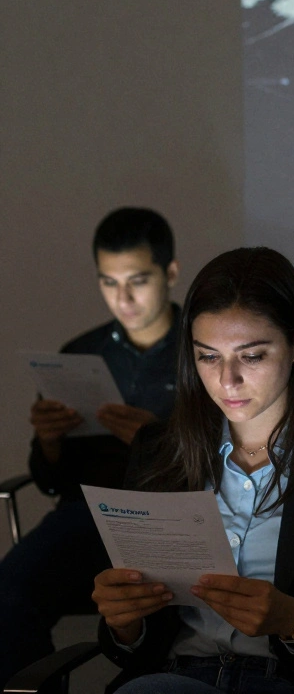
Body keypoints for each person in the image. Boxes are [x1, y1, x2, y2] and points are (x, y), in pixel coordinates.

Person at [90, 247, 294, 694]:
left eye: (252, 356)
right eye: (208, 356)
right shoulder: (158, 449)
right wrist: (125, 623)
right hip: (174, 678)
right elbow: (135, 646)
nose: (227, 380)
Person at [0, 207, 181, 683]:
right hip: (87, 515)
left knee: (171, 619)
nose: (123, 298)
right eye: (108, 282)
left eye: (137, 280)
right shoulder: (80, 353)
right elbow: (50, 479)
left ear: (171, 273)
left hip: (172, 516)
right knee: (8, 591)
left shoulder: (202, 351)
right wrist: (50, 440)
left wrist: (156, 439)